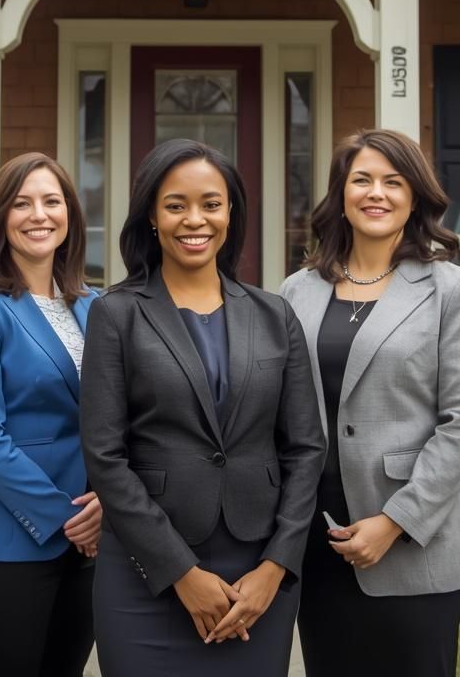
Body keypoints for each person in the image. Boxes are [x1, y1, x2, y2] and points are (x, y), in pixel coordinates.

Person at [80, 138, 324, 677]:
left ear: (231, 212)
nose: (195, 220)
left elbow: (306, 448)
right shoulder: (115, 315)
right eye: (176, 205)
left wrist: (276, 568)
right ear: (151, 214)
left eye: (211, 204)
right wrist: (180, 573)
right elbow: (104, 456)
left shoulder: (273, 314)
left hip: (256, 573)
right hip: (147, 572)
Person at [280, 128, 460, 677]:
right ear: (341, 195)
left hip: (414, 535)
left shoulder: (453, 290)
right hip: (316, 535)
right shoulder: (296, 291)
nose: (377, 193)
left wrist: (395, 521)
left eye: (393, 181)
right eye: (362, 180)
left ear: (415, 196)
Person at [0, 152, 101, 677]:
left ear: (70, 215)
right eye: (21, 203)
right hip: (8, 545)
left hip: (88, 543)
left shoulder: (93, 306)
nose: (39, 214)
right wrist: (67, 518)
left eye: (52, 201)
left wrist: (106, 504)